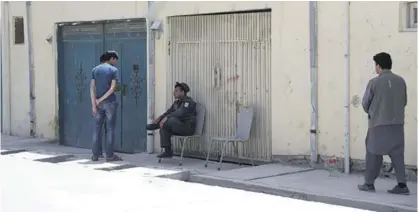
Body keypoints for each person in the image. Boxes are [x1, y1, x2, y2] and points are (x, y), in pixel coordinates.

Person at [358, 52, 409, 195]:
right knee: (398, 154)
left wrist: (373, 112)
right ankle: (402, 184)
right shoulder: (401, 81)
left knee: (373, 153)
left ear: (378, 66)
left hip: (378, 124)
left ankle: (369, 183)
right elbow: (404, 101)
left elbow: (365, 103)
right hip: (397, 124)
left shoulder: (374, 82)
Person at [147, 82, 197, 158]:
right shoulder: (176, 103)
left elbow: (181, 113)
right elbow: (168, 112)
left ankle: (156, 126)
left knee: (171, 120)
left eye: (176, 91)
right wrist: (160, 118)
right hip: (178, 127)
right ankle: (168, 151)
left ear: (182, 92)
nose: (174, 92)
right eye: (174, 91)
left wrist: (166, 118)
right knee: (163, 127)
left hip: (187, 128)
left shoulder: (188, 102)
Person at [90, 51, 123, 162]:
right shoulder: (113, 70)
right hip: (110, 103)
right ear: (112, 58)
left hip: (98, 104)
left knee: (97, 129)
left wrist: (94, 104)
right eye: (115, 60)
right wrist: (101, 99)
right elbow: (113, 88)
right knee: (110, 129)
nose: (116, 62)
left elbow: (92, 88)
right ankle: (109, 155)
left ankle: (95, 155)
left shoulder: (95, 70)